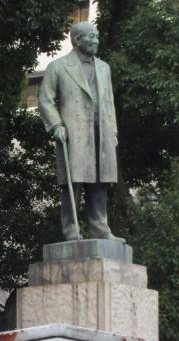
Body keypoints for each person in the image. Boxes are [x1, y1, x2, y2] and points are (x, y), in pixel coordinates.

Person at [38, 21, 123, 242]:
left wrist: (112, 131)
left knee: (100, 182)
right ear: (77, 39)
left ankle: (100, 228)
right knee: (72, 182)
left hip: (101, 132)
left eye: (97, 36)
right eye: (91, 36)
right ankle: (71, 230)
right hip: (73, 133)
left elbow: (109, 101)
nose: (96, 40)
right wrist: (56, 125)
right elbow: (45, 99)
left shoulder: (104, 67)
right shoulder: (58, 66)